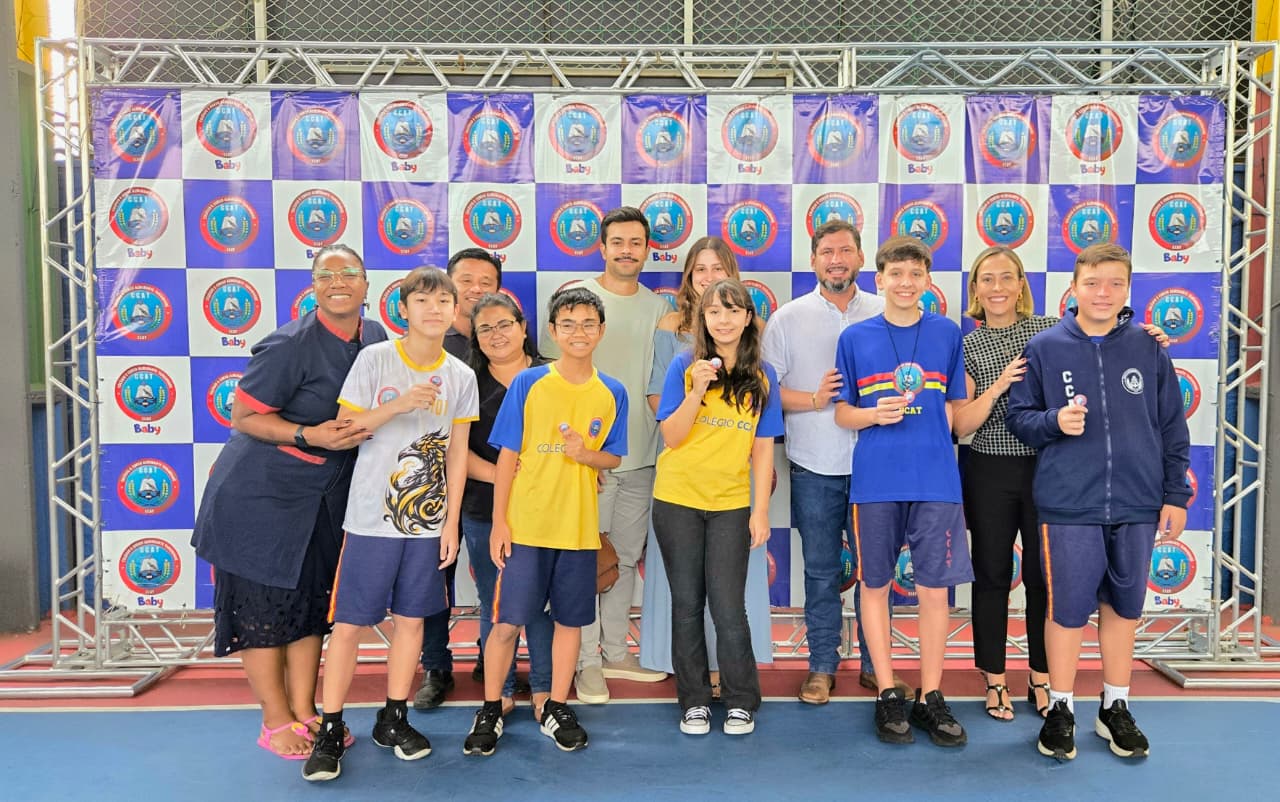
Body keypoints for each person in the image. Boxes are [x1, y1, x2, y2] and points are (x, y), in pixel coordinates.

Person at [952, 246, 1168, 722]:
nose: (997, 287)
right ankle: (994, 679)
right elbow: (960, 424)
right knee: (991, 575)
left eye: (1006, 277)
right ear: (975, 290)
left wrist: (1147, 335)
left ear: (1021, 285)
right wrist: (1000, 385)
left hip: (1051, 469)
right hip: (990, 469)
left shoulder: (1047, 330)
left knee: (1044, 580)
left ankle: (1042, 677)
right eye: (987, 279)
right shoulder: (967, 345)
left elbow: (1103, 339)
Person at [191, 244, 386, 760]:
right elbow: (244, 417)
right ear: (313, 286)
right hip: (259, 499)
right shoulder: (289, 345)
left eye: (349, 273)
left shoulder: (375, 338)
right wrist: (307, 435)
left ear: (367, 284)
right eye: (327, 275)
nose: (338, 281)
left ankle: (305, 709)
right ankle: (275, 719)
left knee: (309, 607)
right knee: (262, 610)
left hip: (321, 502)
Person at [1007, 243, 1190, 762]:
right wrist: (1053, 422)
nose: (1103, 293)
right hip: (1069, 503)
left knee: (1124, 609)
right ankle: (1060, 708)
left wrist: (1175, 494)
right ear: (1074, 288)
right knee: (1066, 611)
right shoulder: (1045, 347)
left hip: (1137, 502)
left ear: (1127, 289)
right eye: (1092, 283)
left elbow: (1172, 426)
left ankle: (1115, 707)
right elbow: (1020, 418)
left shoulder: (1148, 348)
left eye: (1115, 283)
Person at [303, 267, 478, 782]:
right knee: (350, 625)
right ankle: (331, 727)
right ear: (402, 309)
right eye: (422, 300)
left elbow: (458, 454)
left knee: (412, 621)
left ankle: (393, 717)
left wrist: (450, 523)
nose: (433, 309)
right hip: (371, 520)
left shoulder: (461, 375)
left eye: (443, 301)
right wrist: (399, 405)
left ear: (454, 310)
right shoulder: (375, 359)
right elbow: (345, 428)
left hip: (425, 523)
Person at [462, 287, 628, 756]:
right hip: (526, 527)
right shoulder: (529, 383)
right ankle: (491, 707)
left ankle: (556, 704)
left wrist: (585, 454)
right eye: (568, 324)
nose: (579, 332)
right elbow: (507, 457)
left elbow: (613, 457)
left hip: (577, 530)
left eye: (588, 324)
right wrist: (500, 524)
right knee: (506, 623)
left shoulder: (612, 391)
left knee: (570, 623)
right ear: (552, 331)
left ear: (601, 331)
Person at [833, 235, 973, 748]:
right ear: (880, 280)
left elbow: (956, 409)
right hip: (876, 483)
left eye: (915, 274)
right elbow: (842, 413)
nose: (906, 283)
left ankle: (931, 695)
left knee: (935, 590)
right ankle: (888, 691)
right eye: (896, 274)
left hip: (936, 481)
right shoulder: (855, 338)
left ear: (928, 281)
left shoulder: (947, 333)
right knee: (874, 586)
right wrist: (873, 414)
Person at [761, 219, 906, 705]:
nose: (837, 260)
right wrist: (815, 399)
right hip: (814, 465)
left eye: (845, 250)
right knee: (821, 572)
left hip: (877, 466)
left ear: (862, 258)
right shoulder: (788, 319)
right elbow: (766, 392)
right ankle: (821, 666)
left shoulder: (888, 311)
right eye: (827, 252)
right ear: (813, 260)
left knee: (876, 572)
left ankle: (875, 667)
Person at [544, 206, 670, 703]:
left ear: (647, 249)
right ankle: (586, 662)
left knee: (625, 559)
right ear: (601, 247)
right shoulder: (577, 298)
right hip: (585, 463)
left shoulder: (660, 309)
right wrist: (581, 456)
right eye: (617, 241)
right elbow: (554, 384)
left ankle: (616, 651)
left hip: (641, 457)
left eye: (635, 242)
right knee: (585, 564)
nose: (626, 250)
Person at [640, 237, 773, 689]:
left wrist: (759, 508)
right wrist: (696, 390)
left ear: (747, 315)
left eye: (732, 310)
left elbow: (762, 443)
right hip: (678, 493)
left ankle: (739, 695)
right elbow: (671, 432)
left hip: (731, 498)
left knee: (729, 605)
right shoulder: (682, 360)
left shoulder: (762, 372)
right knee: (686, 603)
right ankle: (693, 695)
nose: (723, 318)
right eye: (701, 269)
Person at [415, 248, 508, 711]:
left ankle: (492, 661)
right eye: (466, 280)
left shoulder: (509, 344)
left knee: (498, 588)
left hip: (492, 495)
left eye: (486, 281)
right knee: (434, 582)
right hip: (433, 488)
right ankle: (436, 666)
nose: (476, 289)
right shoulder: (429, 344)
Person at [457, 292, 554, 724]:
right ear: (476, 338)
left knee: (543, 602)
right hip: (483, 510)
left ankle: (545, 690)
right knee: (495, 601)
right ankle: (502, 692)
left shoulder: (552, 375)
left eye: (504, 325)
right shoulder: (467, 383)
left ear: (523, 327)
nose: (496, 335)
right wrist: (505, 476)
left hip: (549, 509)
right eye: (485, 329)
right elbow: (456, 451)